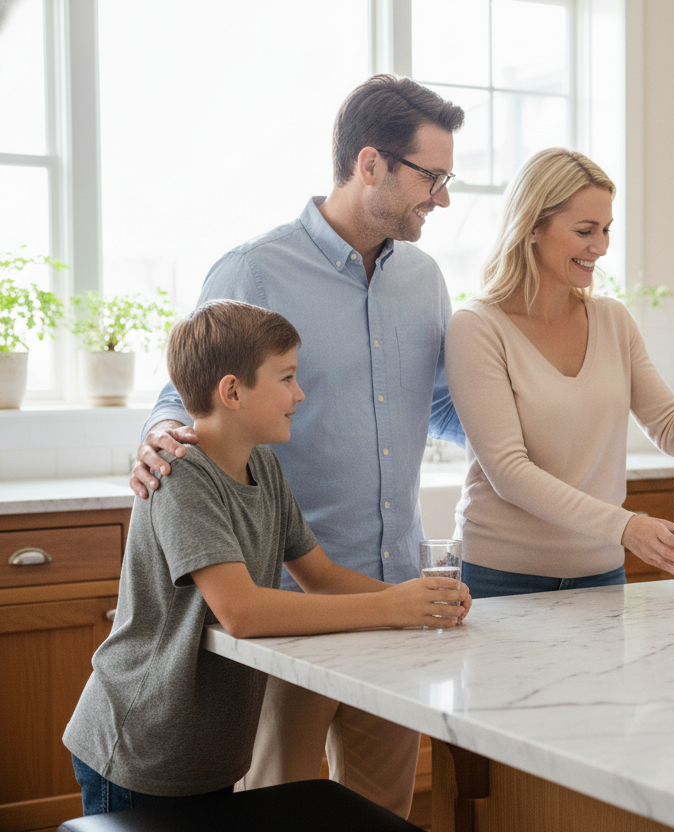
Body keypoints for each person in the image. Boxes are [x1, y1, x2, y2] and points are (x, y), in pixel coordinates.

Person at [127, 75, 465, 817]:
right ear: (370, 164)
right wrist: (157, 439)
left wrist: (521, 428)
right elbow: (181, 398)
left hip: (394, 593)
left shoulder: (426, 279)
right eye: (431, 177)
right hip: (290, 608)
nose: (441, 197)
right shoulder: (256, 268)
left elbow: (440, 410)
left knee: (384, 811)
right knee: (280, 805)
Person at [64, 300, 471, 816]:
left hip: (206, 753)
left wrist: (417, 600)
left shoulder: (264, 466)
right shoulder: (181, 474)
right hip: (141, 746)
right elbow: (243, 613)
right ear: (232, 391)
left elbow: (319, 575)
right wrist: (394, 609)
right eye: (286, 378)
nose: (300, 394)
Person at [444, 148, 674, 599]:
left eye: (606, 230)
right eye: (585, 231)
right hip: (499, 577)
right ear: (532, 226)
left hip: (601, 576)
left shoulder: (612, 320)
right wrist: (626, 526)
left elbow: (671, 431)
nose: (601, 247)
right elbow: (508, 471)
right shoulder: (477, 326)